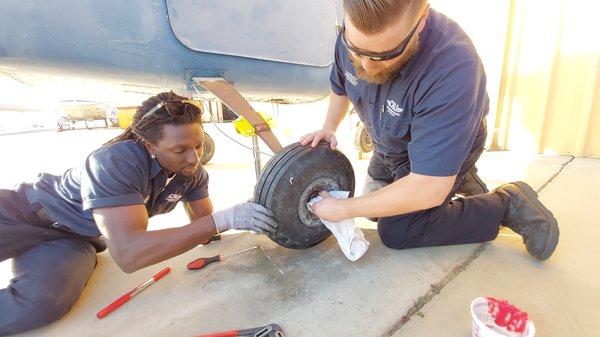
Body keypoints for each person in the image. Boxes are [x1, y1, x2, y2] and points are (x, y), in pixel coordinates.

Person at [0, 92, 277, 335]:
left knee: (40, 306)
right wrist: (223, 219)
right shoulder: (115, 161)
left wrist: (254, 209)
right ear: (149, 145)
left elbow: (205, 229)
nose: (194, 158)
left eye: (198, 145)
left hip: (71, 240)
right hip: (20, 212)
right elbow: (130, 254)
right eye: (179, 149)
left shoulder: (192, 175)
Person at [301, 0, 559, 260]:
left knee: (400, 230)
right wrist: (328, 128)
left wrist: (344, 209)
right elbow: (342, 84)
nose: (367, 66)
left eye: (384, 55)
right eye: (357, 51)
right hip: (389, 143)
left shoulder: (454, 67)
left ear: (421, 20)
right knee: (373, 209)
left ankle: (505, 203)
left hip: (442, 144)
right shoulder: (352, 33)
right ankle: (458, 176)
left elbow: (428, 187)